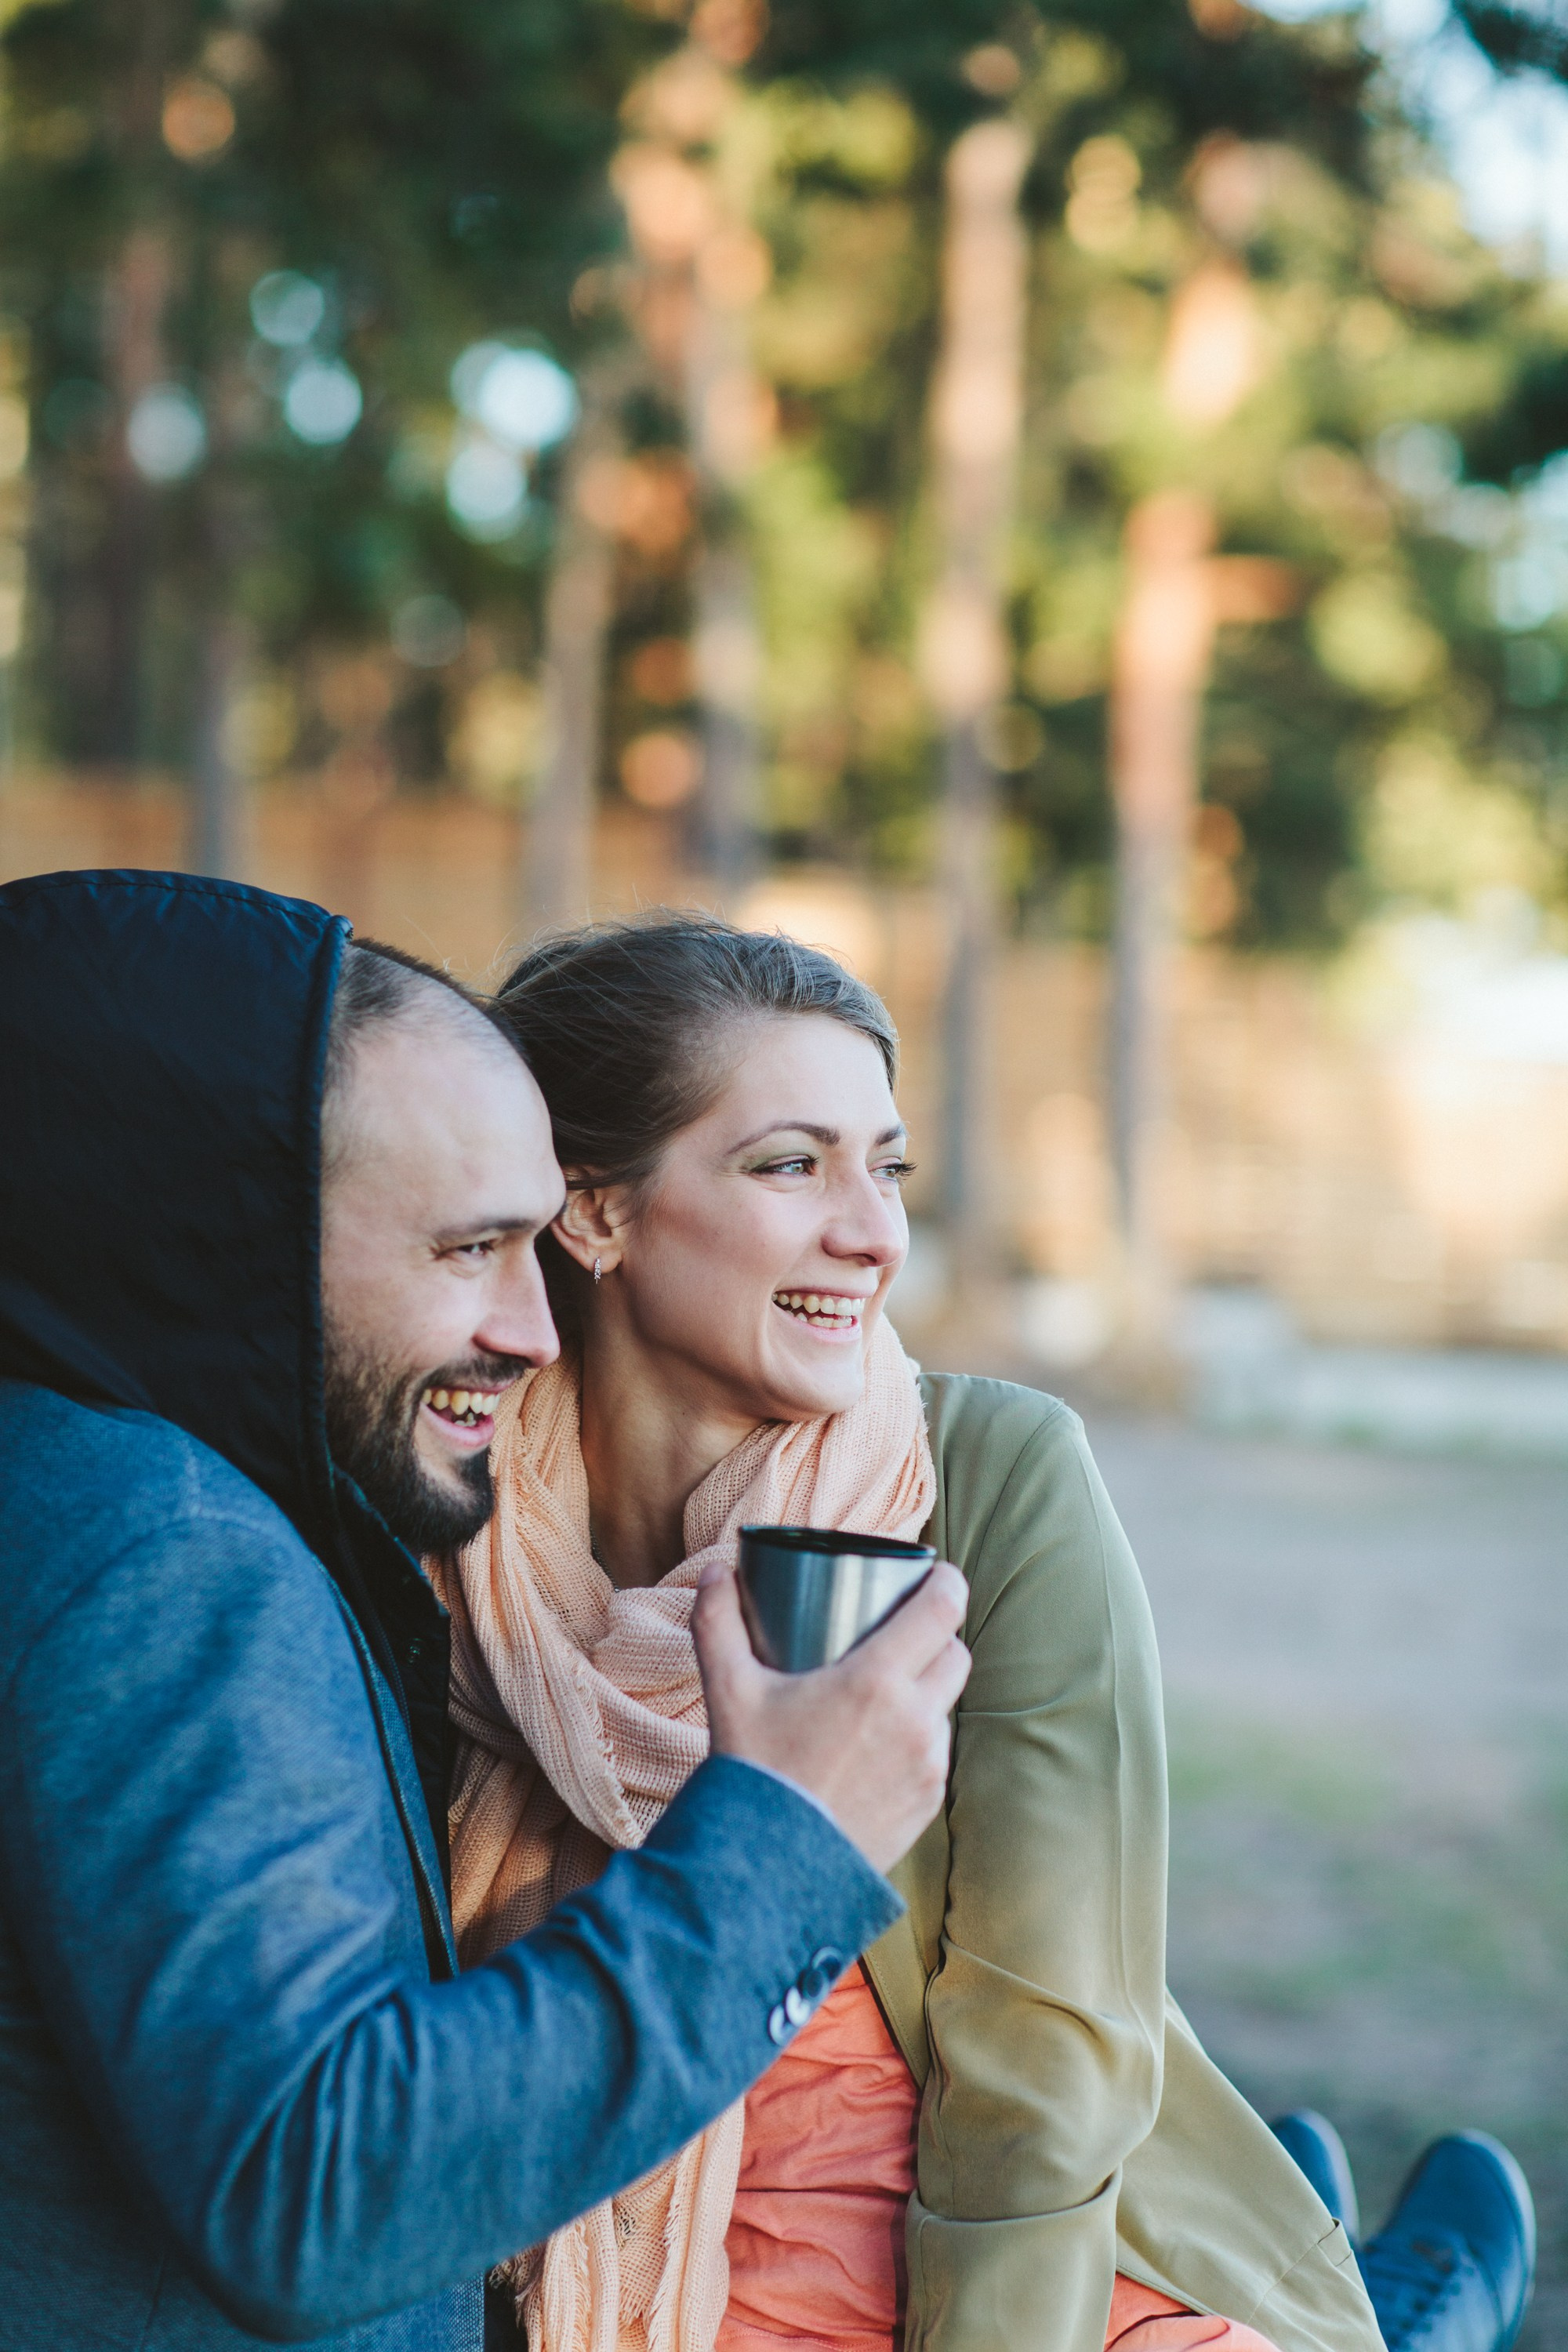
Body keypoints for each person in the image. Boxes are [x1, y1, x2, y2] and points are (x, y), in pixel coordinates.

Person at [442, 913, 1535, 2352]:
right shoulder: (446, 1518)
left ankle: (1368, 2296)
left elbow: (1046, 2046)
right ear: (594, 1213)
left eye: (887, 1167)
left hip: (1004, 2287)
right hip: (626, 2281)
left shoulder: (989, 1472)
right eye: (792, 1164)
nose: (874, 1230)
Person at [0, 869, 970, 2351]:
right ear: (225, 1230)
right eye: (464, 1250)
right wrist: (791, 1839)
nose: (529, 1330)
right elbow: (319, 2191)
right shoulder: (169, 1550)